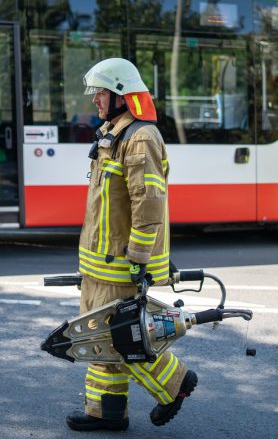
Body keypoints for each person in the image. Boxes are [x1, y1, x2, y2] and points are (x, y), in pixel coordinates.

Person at [66, 57, 197, 432]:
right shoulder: (113, 133)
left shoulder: (139, 137)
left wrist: (139, 259)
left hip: (121, 264)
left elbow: (148, 204)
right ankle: (106, 412)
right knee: (100, 339)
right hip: (99, 265)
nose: (95, 100)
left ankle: (175, 385)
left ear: (122, 94)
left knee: (122, 337)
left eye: (101, 92)